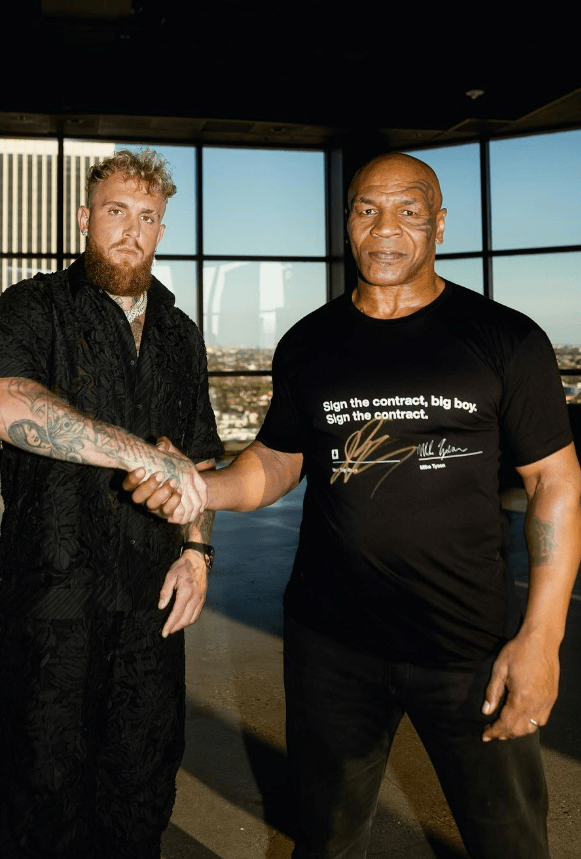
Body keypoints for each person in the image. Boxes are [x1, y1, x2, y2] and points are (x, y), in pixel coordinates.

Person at [127, 152, 581, 859]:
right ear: (347, 222)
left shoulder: (504, 339)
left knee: (509, 841)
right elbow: (276, 461)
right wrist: (200, 486)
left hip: (465, 642)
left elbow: (555, 482)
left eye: (407, 208)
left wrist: (541, 638)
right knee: (326, 840)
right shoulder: (310, 342)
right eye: (367, 208)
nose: (386, 227)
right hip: (330, 641)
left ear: (438, 222)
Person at [0, 148, 222, 859]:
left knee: (140, 789)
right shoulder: (33, 306)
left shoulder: (179, 332)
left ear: (161, 229)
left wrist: (196, 551)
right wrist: (137, 452)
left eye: (147, 218)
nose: (131, 232)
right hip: (52, 596)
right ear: (84, 219)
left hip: (151, 599)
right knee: (38, 792)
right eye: (115, 213)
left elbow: (196, 455)